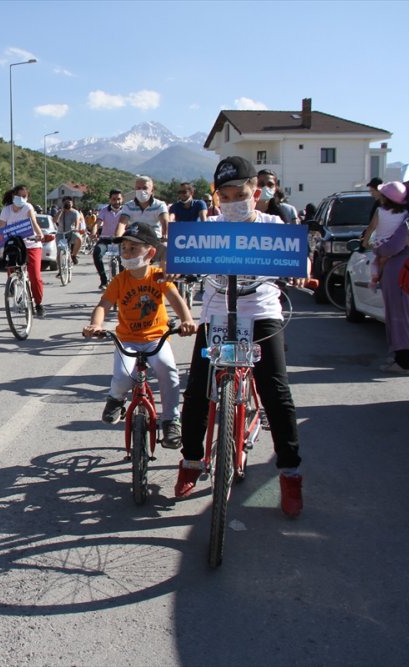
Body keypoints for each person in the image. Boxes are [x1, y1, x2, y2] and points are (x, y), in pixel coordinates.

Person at [175, 156, 306, 517]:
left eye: (241, 193)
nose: (233, 201)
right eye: (226, 195)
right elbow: (184, 259)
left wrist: (301, 272)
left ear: (256, 192)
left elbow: (296, 257)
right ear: (216, 197)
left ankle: (290, 473)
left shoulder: (273, 223)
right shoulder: (208, 227)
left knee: (276, 391)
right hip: (217, 311)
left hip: (261, 311)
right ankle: (191, 460)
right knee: (199, 390)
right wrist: (174, 273)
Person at [83, 222, 196, 448]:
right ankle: (115, 399)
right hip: (128, 340)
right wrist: (95, 325)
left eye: (133, 248)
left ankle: (171, 420)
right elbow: (103, 305)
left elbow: (176, 301)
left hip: (156, 338)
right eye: (124, 248)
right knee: (123, 376)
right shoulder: (119, 281)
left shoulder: (158, 276)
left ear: (150, 252)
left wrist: (187, 321)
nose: (127, 252)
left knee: (168, 373)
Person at [369, 181, 409, 374]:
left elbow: (394, 245)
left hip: (401, 268)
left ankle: (404, 360)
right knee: (408, 315)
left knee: (399, 314)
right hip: (405, 266)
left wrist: (379, 250)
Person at [0, 184, 46, 317]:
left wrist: (40, 234)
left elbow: (33, 222)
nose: (22, 199)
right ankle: (12, 285)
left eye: (25, 196)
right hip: (15, 245)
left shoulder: (28, 207)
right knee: (11, 266)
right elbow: (1, 227)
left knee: (35, 277)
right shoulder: (6, 210)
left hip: (31, 244)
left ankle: (38, 304)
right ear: (13, 196)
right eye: (19, 196)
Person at [93, 189, 127, 289]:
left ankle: (123, 282)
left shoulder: (126, 211)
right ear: (110, 200)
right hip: (106, 239)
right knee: (97, 253)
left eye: (119, 199)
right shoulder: (104, 210)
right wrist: (93, 232)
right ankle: (103, 280)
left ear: (122, 199)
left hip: (121, 240)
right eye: (114, 199)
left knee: (123, 261)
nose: (116, 201)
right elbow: (98, 222)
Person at [121, 175, 170, 241]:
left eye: (144, 188)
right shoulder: (128, 206)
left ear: (152, 190)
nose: (141, 191)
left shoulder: (160, 205)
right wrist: (118, 236)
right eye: (138, 188)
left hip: (154, 239)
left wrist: (165, 235)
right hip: (134, 239)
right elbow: (122, 223)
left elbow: (165, 221)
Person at [53, 197, 83, 264]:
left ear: (72, 204)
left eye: (69, 202)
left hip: (71, 232)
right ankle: (60, 270)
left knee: (79, 239)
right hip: (61, 233)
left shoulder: (75, 212)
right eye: (66, 203)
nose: (68, 204)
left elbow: (77, 223)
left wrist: (76, 228)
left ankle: (74, 255)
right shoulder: (60, 212)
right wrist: (61, 211)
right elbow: (54, 221)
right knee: (59, 251)